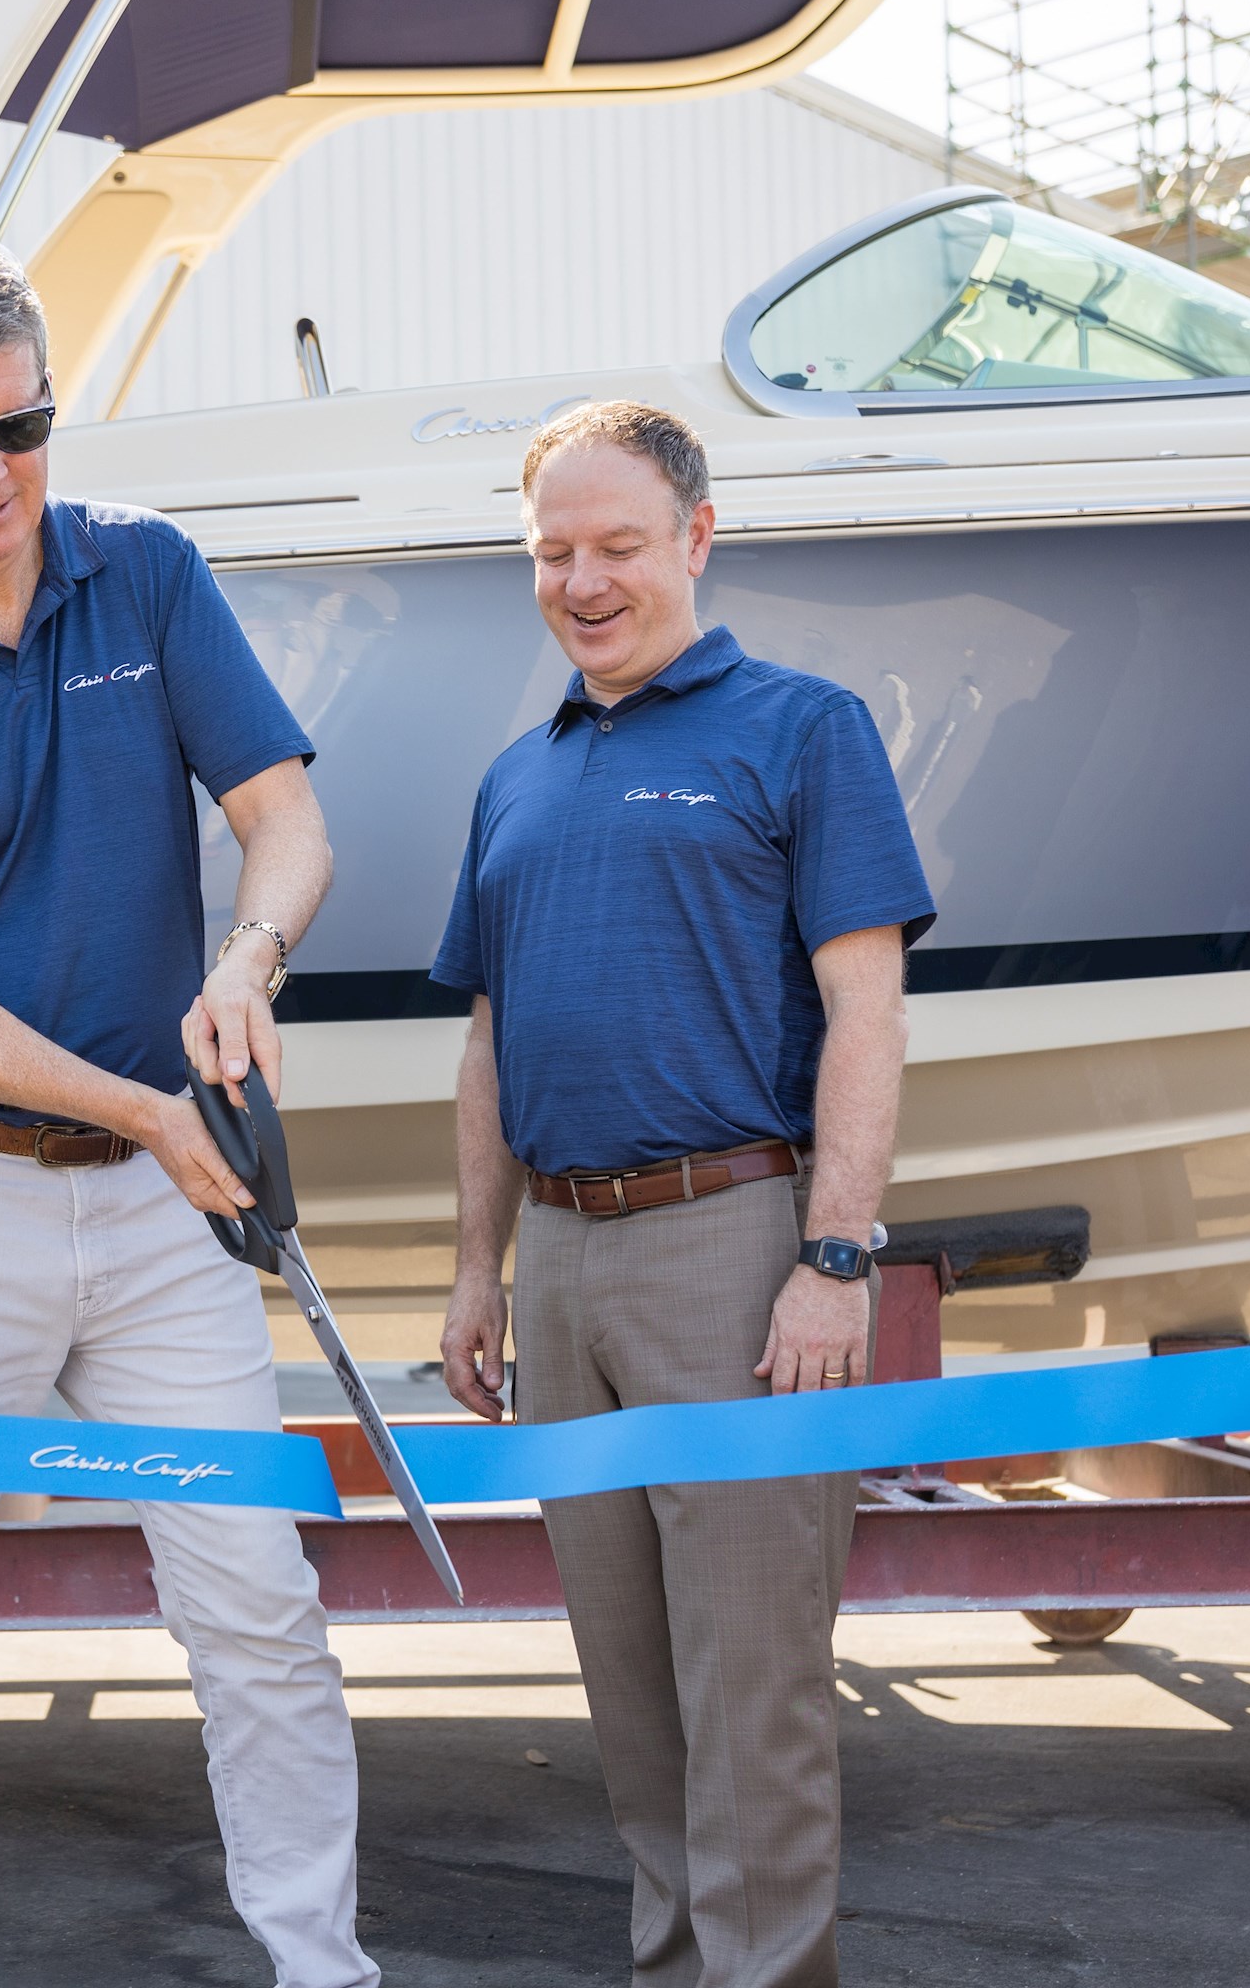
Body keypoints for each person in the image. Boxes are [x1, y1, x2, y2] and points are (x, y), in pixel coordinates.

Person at [0, 238, 377, 1988]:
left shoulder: (146, 572)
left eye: (21, 427)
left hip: (162, 1201)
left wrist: (250, 958)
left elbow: (287, 821)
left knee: (257, 1603)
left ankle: (323, 1967)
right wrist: (146, 1106)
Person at [433, 401, 932, 1988]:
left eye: (618, 546)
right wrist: (478, 1271)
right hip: (562, 1262)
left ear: (697, 539)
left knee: (752, 1689)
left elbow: (866, 1013)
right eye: (553, 553)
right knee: (635, 1697)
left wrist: (834, 1256)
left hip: (732, 1246)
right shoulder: (517, 776)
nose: (584, 582)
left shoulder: (803, 730)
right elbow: (491, 1041)